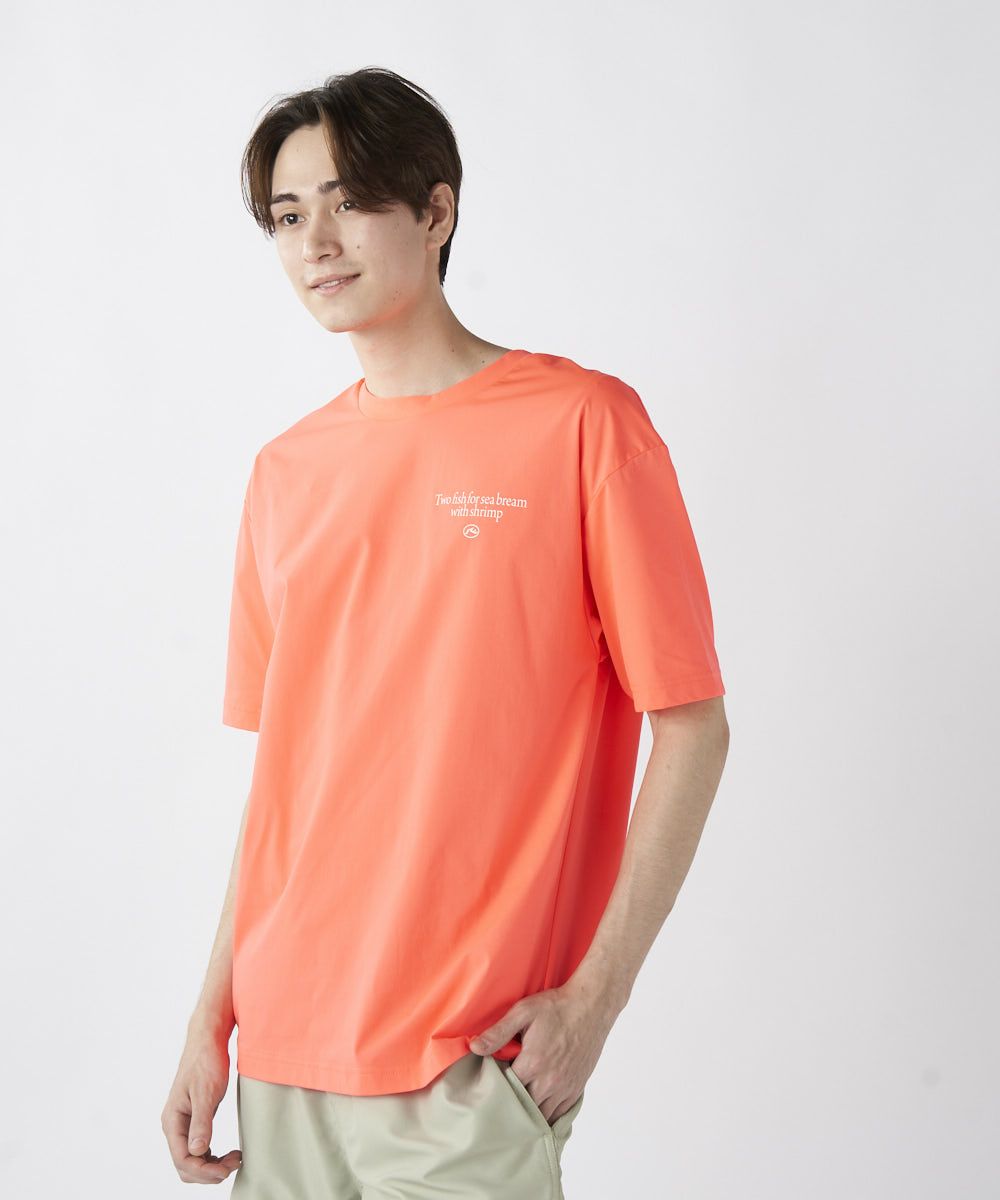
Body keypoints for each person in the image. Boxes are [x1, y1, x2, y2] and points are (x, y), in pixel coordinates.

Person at [161, 65, 730, 1197]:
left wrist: (595, 1001)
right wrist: (207, 1021)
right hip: (281, 1050)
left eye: (348, 202)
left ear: (436, 210)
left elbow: (693, 726)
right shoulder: (285, 474)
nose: (317, 242)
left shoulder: (582, 425)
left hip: (470, 1059)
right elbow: (287, 789)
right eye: (288, 216)